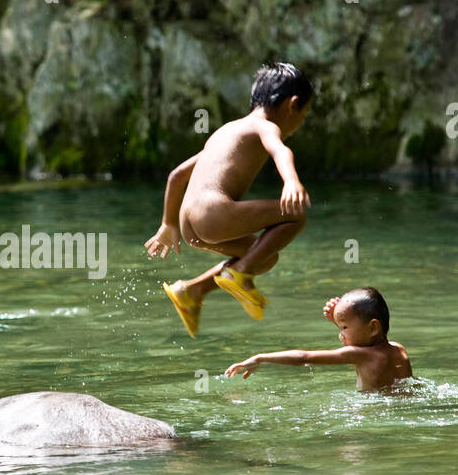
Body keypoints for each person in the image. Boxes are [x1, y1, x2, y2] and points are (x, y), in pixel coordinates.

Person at [144, 62, 313, 336]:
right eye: (304, 115)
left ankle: (191, 291)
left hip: (190, 227)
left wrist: (168, 224)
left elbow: (176, 176)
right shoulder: (266, 127)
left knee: (265, 256)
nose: (300, 123)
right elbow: (281, 151)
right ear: (292, 105)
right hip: (213, 213)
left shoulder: (225, 132)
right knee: (296, 216)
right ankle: (240, 272)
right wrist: (291, 181)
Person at [224, 288, 413, 392]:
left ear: (373, 328)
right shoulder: (399, 349)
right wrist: (340, 322)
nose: (341, 334)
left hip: (373, 413)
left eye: (344, 328)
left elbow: (304, 357)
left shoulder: (359, 355)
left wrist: (260, 358)